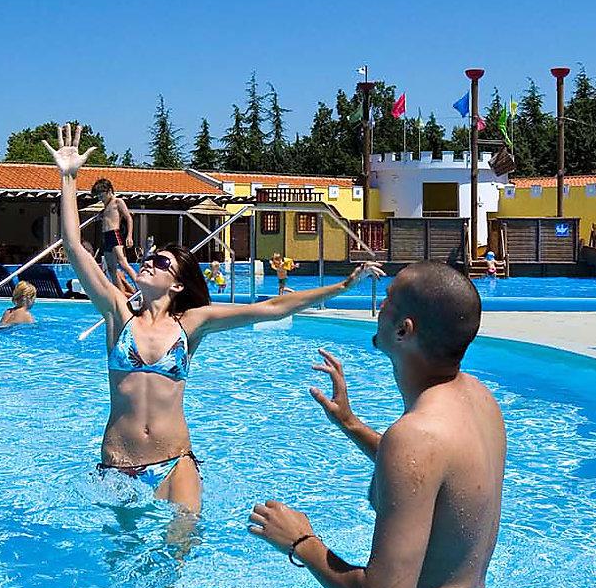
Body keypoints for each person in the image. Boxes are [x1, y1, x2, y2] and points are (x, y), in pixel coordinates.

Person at [49, 123, 382, 512]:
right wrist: (68, 179)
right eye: (150, 258)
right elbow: (74, 248)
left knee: (181, 545)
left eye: (161, 263)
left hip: (176, 462)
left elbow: (271, 308)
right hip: (118, 464)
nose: (148, 263)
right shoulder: (118, 313)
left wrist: (341, 287)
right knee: (123, 558)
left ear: (177, 286)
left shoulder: (191, 324)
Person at [247, 262, 504, 588]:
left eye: (388, 300)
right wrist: (349, 424)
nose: (379, 305)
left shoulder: (414, 437)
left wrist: (301, 542)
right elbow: (437, 482)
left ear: (404, 329)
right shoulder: (478, 399)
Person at [91, 179, 139, 293]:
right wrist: (101, 214)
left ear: (109, 191)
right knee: (111, 269)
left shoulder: (118, 201)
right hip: (106, 237)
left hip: (115, 234)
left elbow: (128, 218)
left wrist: (129, 236)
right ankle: (120, 294)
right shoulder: (106, 206)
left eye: (101, 195)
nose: (100, 198)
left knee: (123, 264)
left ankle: (141, 288)